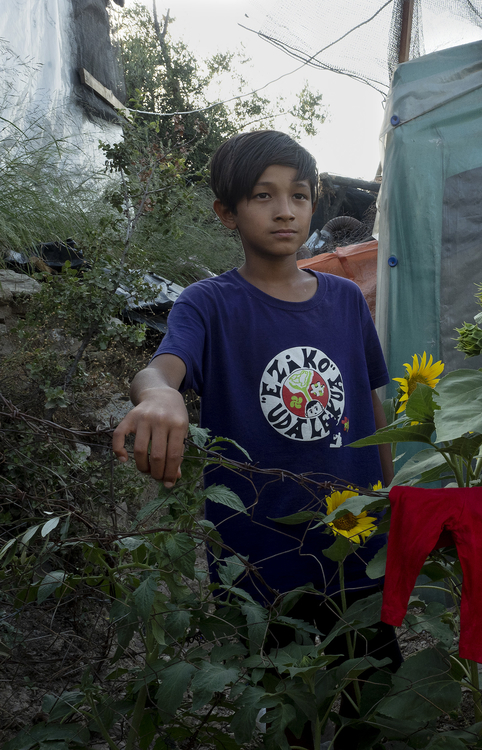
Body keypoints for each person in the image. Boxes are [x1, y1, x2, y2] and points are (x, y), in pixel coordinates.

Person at [111, 130, 401, 741]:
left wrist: (393, 496)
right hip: (261, 556)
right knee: (288, 707)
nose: (285, 210)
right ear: (227, 213)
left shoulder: (347, 300)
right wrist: (161, 395)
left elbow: (373, 407)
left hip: (358, 538)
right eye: (263, 196)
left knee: (371, 699)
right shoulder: (207, 305)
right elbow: (162, 368)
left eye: (298, 195)